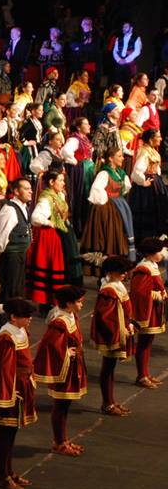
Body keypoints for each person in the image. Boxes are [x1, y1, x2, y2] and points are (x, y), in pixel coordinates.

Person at [0, 297, 37, 489]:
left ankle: (9, 471)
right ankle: (2, 476)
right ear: (14, 317)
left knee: (12, 432)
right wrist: (8, 394)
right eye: (26, 316)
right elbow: (4, 370)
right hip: (11, 391)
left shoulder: (20, 331)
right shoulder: (6, 337)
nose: (30, 319)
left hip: (21, 386)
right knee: (5, 433)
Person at [32, 286, 88, 457]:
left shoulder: (71, 315)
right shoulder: (59, 322)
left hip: (72, 366)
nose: (82, 305)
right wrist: (66, 353)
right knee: (60, 405)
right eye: (79, 302)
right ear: (69, 303)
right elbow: (50, 344)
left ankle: (63, 439)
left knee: (65, 405)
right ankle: (58, 442)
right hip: (64, 368)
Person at [27, 171, 82, 307]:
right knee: (52, 266)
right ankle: (48, 301)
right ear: (51, 182)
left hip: (63, 233)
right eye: (60, 180)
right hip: (51, 236)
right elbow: (35, 217)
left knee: (66, 264)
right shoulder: (46, 198)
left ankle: (63, 298)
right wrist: (49, 222)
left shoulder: (59, 195)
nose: (63, 183)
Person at [90, 255, 136, 416]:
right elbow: (107, 317)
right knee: (108, 369)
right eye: (121, 271)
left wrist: (129, 323)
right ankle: (107, 403)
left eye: (125, 271)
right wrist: (121, 330)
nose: (125, 274)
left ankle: (111, 401)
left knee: (110, 368)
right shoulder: (109, 290)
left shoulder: (117, 285)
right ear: (110, 272)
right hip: (112, 334)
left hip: (121, 329)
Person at [81, 148, 134, 276]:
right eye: (119, 156)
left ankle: (117, 269)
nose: (122, 158)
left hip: (119, 207)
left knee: (119, 236)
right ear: (111, 158)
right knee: (108, 238)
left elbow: (125, 188)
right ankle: (105, 271)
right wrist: (107, 201)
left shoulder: (120, 173)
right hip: (105, 209)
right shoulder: (104, 173)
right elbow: (96, 190)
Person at [129, 238, 166, 389]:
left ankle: (145, 373)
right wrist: (155, 294)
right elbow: (139, 292)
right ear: (151, 254)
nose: (162, 254)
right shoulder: (144, 269)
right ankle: (141, 376)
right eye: (159, 252)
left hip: (153, 310)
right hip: (146, 312)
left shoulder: (152, 265)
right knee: (143, 344)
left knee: (148, 343)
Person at [0, 178, 34, 302]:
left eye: (30, 188)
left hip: (20, 255)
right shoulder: (9, 209)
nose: (30, 191)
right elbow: (2, 235)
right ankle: (2, 314)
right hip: (11, 257)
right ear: (16, 191)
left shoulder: (24, 207)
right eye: (26, 189)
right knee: (9, 291)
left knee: (17, 291)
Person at [128, 130, 167, 242]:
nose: (160, 139)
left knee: (157, 209)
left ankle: (155, 235)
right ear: (151, 139)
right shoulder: (144, 152)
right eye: (158, 137)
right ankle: (146, 238)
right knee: (147, 209)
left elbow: (157, 169)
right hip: (147, 188)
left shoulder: (152, 151)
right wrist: (143, 182)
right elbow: (136, 171)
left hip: (155, 183)